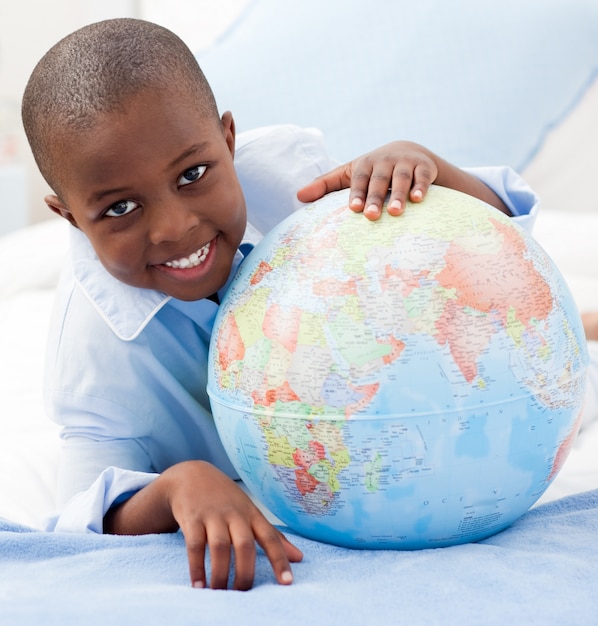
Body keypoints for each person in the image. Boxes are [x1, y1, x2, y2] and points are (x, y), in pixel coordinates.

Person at [21, 18, 539, 591]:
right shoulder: (94, 352)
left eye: (193, 174)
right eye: (120, 209)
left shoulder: (295, 182)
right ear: (69, 216)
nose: (175, 227)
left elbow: (501, 247)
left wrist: (432, 170)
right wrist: (172, 489)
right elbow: (82, 517)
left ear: (229, 141)